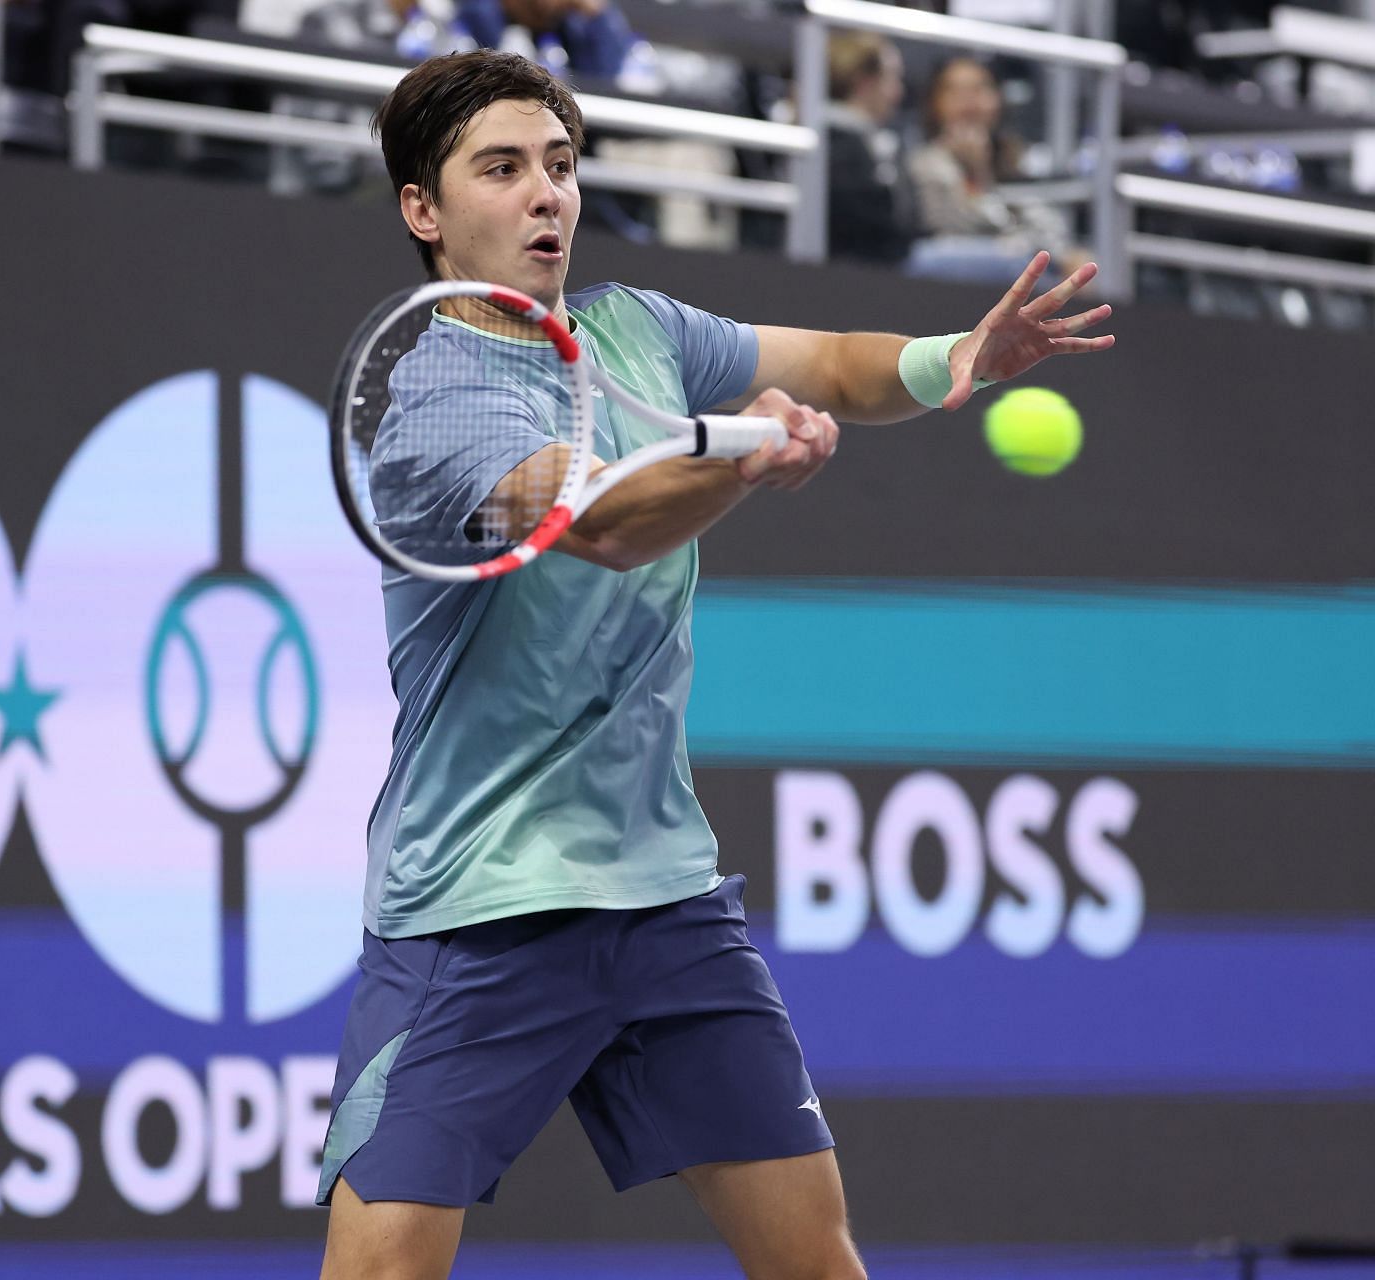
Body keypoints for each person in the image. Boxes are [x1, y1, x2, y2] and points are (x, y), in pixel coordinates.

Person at [319, 50, 1113, 1280]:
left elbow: (837, 361)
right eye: (504, 168)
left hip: (663, 899)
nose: (548, 196)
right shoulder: (434, 401)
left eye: (563, 166)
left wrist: (958, 358)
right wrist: (740, 472)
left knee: (816, 1261)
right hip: (479, 908)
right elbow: (595, 523)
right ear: (424, 209)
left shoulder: (636, 332)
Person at [906, 56, 1077, 280]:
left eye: (979, 89)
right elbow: (966, 228)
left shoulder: (1013, 157)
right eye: (955, 91)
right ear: (935, 104)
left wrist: (1063, 256)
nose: (969, 102)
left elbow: (1049, 229)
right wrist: (979, 172)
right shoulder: (927, 163)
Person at [824, 31, 919, 265]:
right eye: (893, 78)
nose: (899, 93)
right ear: (864, 81)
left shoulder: (866, 138)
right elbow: (874, 223)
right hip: (873, 267)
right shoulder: (838, 139)